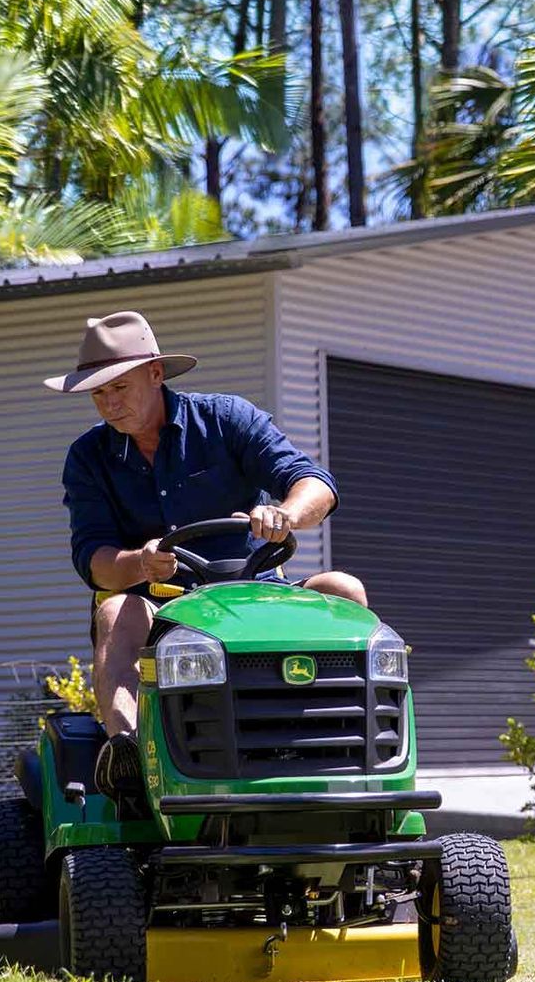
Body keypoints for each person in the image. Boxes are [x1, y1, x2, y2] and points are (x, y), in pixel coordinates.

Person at [47, 310, 365, 796]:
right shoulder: (88, 458)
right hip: (160, 608)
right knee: (115, 611)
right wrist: (139, 562)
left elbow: (313, 484)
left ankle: (345, 745)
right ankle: (129, 755)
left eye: (119, 387)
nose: (109, 404)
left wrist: (286, 515)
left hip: (256, 595)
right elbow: (94, 560)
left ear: (155, 373)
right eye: (98, 393)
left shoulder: (226, 419)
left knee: (343, 589)